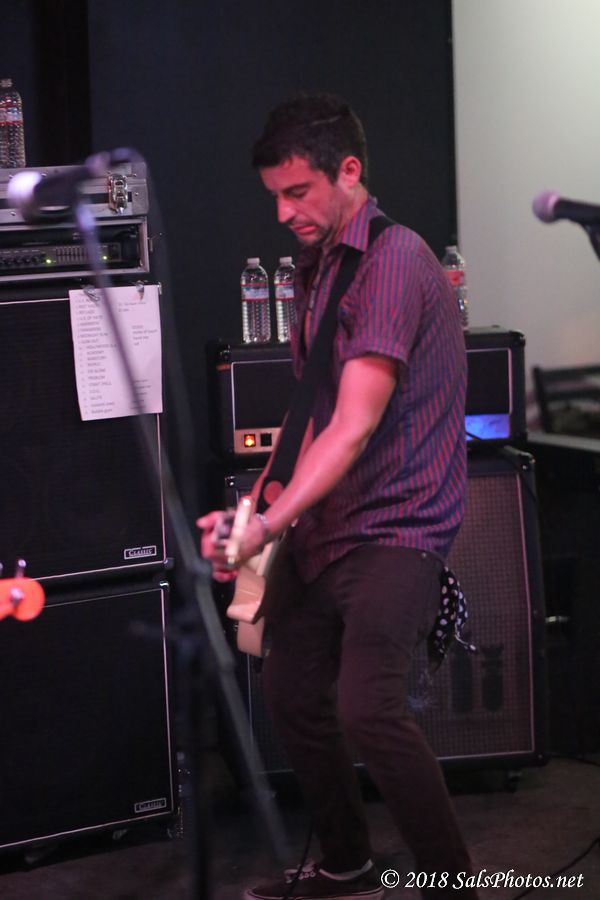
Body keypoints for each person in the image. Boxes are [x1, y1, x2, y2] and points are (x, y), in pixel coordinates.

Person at [198, 93, 478, 900]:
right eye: (275, 196)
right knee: (289, 694)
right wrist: (251, 517)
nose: (283, 212)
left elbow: (354, 426)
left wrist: (267, 527)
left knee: (369, 708)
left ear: (348, 171)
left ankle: (454, 884)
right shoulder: (319, 269)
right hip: (331, 524)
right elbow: (313, 418)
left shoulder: (394, 261)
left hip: (398, 524)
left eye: (298, 192)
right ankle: (348, 863)